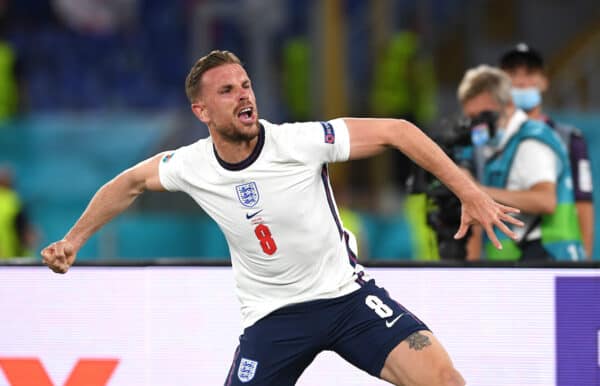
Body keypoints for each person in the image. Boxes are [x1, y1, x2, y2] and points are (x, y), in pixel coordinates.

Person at [42, 50, 521, 386]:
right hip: (274, 318)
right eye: (227, 90)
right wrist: (73, 241)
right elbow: (127, 183)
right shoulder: (191, 165)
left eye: (246, 84)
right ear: (201, 110)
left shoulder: (299, 142)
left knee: (445, 380)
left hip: (347, 300)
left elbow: (397, 130)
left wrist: (469, 192)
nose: (243, 95)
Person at [458, 64, 585, 261]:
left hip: (548, 264)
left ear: (508, 105)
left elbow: (545, 200)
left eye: (484, 116)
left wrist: (475, 191)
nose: (477, 125)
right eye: (472, 118)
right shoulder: (500, 146)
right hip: (528, 264)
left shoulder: (531, 141)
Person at [499, 43, 594, 259]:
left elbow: (584, 203)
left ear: (544, 82)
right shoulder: (487, 144)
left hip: (559, 259)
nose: (521, 81)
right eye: (512, 74)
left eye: (530, 73)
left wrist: (584, 265)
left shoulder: (570, 139)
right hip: (500, 265)